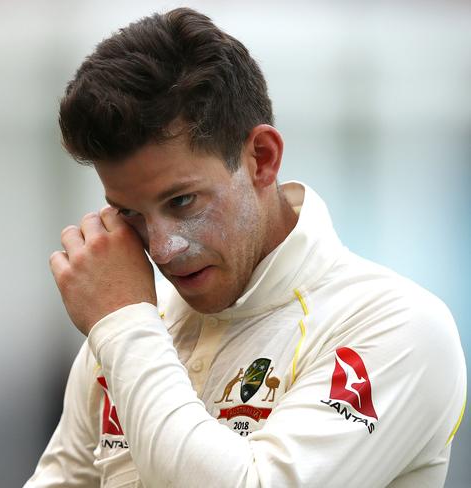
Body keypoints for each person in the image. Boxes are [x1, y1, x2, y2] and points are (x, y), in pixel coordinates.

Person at [24, 7, 466, 488]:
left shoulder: (398, 325)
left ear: (262, 158)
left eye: (182, 201)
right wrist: (127, 327)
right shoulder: (134, 326)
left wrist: (125, 326)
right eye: (129, 213)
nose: (162, 248)